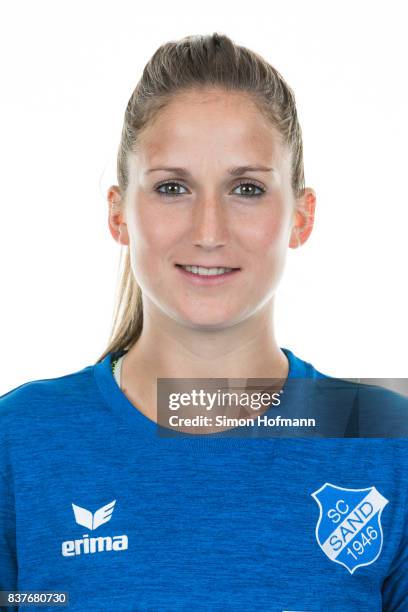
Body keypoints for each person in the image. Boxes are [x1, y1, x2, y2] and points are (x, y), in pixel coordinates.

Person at [1, 32, 407, 611]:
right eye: (172, 187)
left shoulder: (387, 441)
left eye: (247, 188)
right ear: (118, 213)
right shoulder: (20, 441)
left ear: (301, 216)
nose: (209, 230)